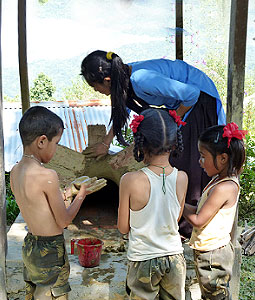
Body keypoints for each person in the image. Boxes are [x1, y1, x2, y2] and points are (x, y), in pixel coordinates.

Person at [81, 50, 226, 238]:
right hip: (185, 102)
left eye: (95, 87)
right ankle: (176, 220)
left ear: (107, 80)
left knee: (186, 161)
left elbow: (191, 93)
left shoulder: (142, 79)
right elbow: (122, 110)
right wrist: (106, 142)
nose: (96, 91)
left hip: (199, 101)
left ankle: (189, 227)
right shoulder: (121, 76)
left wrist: (174, 119)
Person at [10, 106, 92, 300]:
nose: (57, 149)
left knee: (36, 292)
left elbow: (38, 204)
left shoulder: (15, 171)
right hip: (50, 249)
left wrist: (66, 193)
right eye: (57, 143)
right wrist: (81, 195)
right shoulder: (48, 175)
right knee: (54, 294)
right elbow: (64, 220)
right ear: (42, 141)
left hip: (31, 245)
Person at [117, 108, 188, 300]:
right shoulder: (182, 177)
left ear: (141, 142)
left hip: (143, 259)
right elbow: (176, 217)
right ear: (174, 143)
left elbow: (123, 228)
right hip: (174, 257)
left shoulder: (129, 180)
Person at [183, 122, 247, 300]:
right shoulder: (218, 180)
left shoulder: (225, 187)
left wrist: (177, 204)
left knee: (215, 296)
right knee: (210, 294)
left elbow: (198, 219)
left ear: (223, 158)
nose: (199, 161)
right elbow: (199, 210)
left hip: (213, 256)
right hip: (208, 251)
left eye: (203, 156)